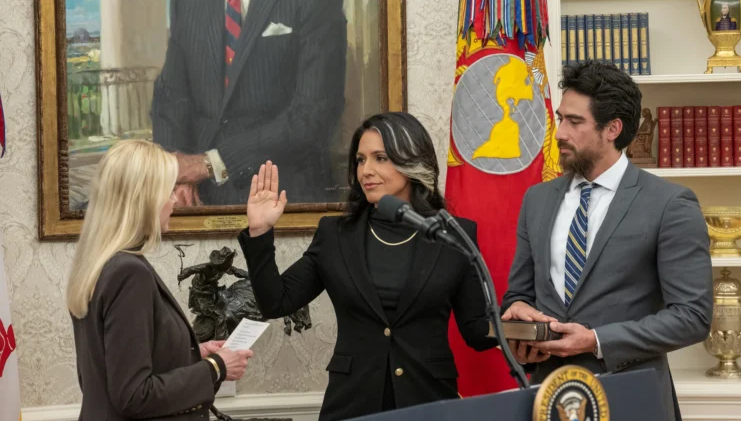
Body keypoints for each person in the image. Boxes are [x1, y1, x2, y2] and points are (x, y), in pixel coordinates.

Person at [239, 112, 497, 420]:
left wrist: (529, 333)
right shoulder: (335, 235)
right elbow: (275, 302)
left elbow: (478, 331)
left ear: (412, 161)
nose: (366, 171)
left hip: (429, 401)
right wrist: (260, 232)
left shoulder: (454, 234)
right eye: (361, 160)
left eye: (380, 158)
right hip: (352, 403)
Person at [501, 61, 713, 421]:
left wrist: (596, 339)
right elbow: (518, 293)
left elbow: (692, 317)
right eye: (560, 118)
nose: (560, 132)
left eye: (574, 122)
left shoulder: (670, 204)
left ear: (612, 129)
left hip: (631, 398)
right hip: (547, 398)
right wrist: (519, 320)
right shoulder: (536, 199)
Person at [151, 0, 347, 207]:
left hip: (282, 192)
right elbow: (171, 98)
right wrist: (175, 173)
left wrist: (209, 163)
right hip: (197, 196)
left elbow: (313, 114)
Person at [66, 140, 253, 420]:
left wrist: (190, 355)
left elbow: (116, 366)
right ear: (144, 199)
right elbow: (134, 395)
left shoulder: (101, 264)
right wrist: (216, 367)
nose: (175, 200)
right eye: (168, 191)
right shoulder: (128, 274)